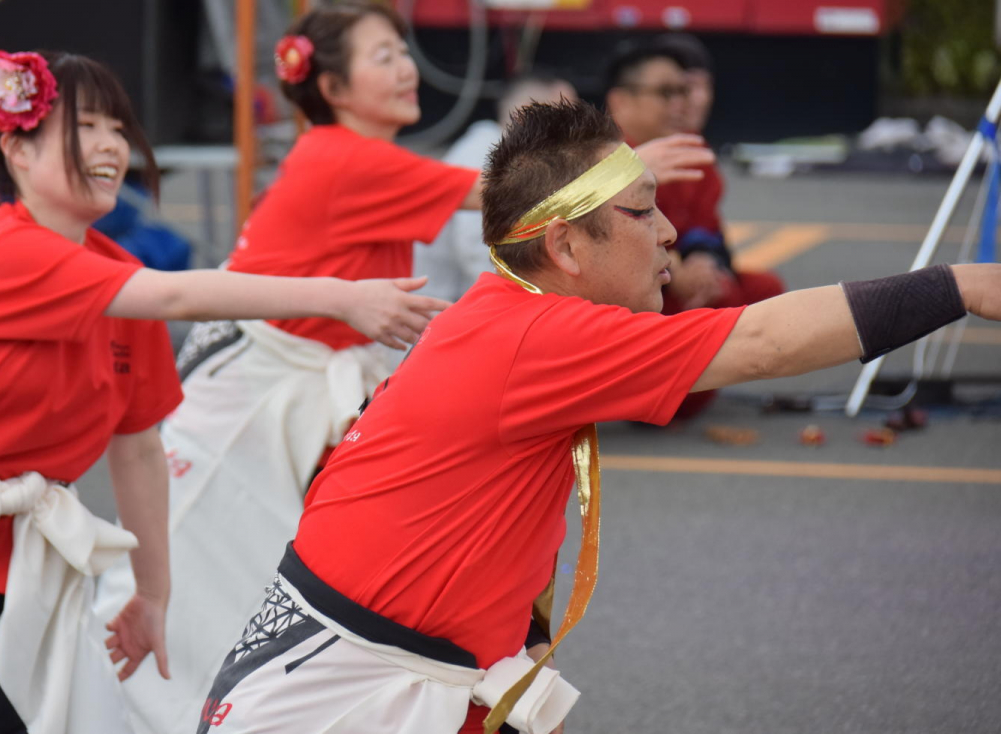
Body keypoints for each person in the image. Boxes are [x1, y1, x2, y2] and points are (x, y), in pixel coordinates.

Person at [196, 99, 1001, 734]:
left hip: (377, 666)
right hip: (345, 690)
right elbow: (759, 341)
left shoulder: (503, 312)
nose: (670, 233)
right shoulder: (538, 334)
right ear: (566, 249)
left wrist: (524, 635)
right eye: (642, 213)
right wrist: (958, 287)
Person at [0, 48, 447, 734]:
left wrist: (152, 595)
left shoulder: (116, 277)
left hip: (20, 577)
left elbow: (137, 449)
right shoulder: (7, 249)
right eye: (87, 126)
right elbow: (175, 294)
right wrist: (337, 296)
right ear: (17, 148)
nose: (111, 144)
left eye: (118, 127)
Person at [94, 0, 484, 734]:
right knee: (225, 581)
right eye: (383, 55)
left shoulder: (343, 154)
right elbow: (509, 200)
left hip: (269, 391)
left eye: (403, 49)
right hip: (259, 402)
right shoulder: (349, 156)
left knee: (239, 579)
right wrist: (622, 171)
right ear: (332, 89)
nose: (406, 67)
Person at [416, 73, 717, 302]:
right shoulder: (483, 156)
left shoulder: (501, 154)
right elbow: (482, 262)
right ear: (528, 118)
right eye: (565, 121)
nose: (579, 137)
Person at [605, 40, 784, 417]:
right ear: (621, 102)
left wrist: (704, 264)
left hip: (670, 287)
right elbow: (601, 249)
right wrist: (672, 269)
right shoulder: (600, 159)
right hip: (619, 299)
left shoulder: (689, 151)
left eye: (683, 91)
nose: (680, 103)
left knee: (760, 291)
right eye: (665, 93)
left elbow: (708, 230)